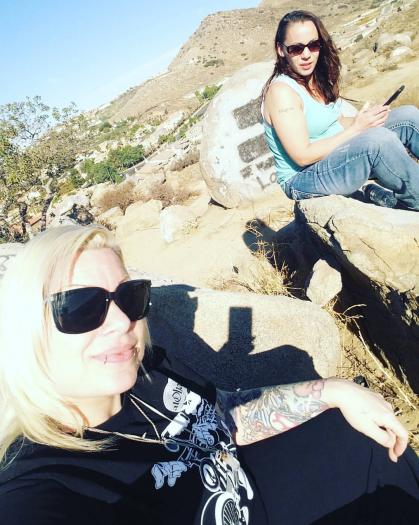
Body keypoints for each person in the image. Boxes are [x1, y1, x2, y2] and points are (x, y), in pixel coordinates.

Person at [0, 224, 418, 525]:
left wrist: (333, 391)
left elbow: (222, 415)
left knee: (372, 440)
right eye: (80, 308)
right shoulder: (43, 483)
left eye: (129, 296)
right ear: (25, 329)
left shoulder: (146, 373)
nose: (122, 322)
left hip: (260, 488)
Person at [262, 10, 419, 210]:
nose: (307, 55)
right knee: (378, 141)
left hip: (335, 156)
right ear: (281, 50)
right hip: (303, 178)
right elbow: (302, 156)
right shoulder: (281, 92)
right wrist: (357, 129)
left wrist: (365, 119)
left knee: (407, 116)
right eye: (296, 48)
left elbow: (334, 122)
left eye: (313, 45)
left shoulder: (315, 79)